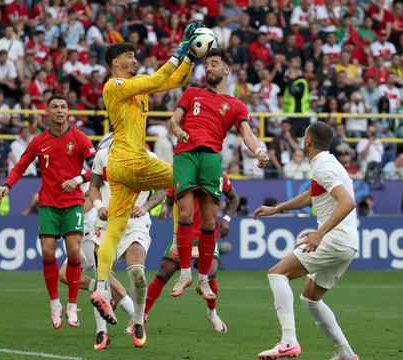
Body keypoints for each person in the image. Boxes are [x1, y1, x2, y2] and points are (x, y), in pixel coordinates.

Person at [90, 22, 201, 346]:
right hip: (132, 158)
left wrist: (190, 57)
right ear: (116, 64)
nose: (135, 60)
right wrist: (179, 50)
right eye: (129, 56)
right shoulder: (115, 85)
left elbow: (171, 80)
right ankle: (186, 249)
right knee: (185, 176)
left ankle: (100, 288)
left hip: (122, 171)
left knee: (113, 231)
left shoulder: (136, 88)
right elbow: (156, 78)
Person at [167, 48, 269, 300]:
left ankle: (203, 279)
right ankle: (184, 274)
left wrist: (258, 151)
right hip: (186, 155)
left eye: (214, 63)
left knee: (210, 222)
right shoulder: (192, 93)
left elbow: (246, 133)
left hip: (212, 158)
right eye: (206, 64)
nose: (208, 68)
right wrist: (179, 132)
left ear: (227, 69)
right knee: (186, 214)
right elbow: (172, 121)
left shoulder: (235, 104)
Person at [252, 121, 359, 360]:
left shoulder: (323, 166)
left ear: (308, 141)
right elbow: (312, 195)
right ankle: (346, 354)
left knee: (277, 273)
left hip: (334, 239)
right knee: (310, 299)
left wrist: (320, 234)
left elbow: (348, 202)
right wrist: (277, 209)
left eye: (304, 136)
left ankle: (288, 341)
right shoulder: (329, 164)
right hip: (348, 243)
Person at [0, 95, 96, 330]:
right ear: (47, 112)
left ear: (68, 111)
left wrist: (78, 179)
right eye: (55, 107)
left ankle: (72, 306)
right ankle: (55, 304)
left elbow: (99, 167)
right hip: (49, 204)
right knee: (47, 253)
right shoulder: (39, 141)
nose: (59, 111)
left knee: (73, 251)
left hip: (73, 203)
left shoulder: (80, 138)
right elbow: (21, 165)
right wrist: (7, 185)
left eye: (63, 107)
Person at [81, 144, 165, 349]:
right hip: (107, 223)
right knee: (103, 278)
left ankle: (137, 321)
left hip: (135, 223)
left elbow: (164, 187)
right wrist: (99, 206)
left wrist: (145, 206)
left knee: (137, 273)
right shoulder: (104, 155)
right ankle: (101, 332)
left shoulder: (148, 157)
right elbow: (93, 186)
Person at [145, 173, 239, 333]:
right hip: (183, 235)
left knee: (211, 273)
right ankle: (141, 316)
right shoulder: (183, 172)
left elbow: (234, 199)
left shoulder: (216, 173)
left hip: (207, 235)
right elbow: (169, 200)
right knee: (164, 272)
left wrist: (226, 220)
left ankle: (212, 313)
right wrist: (165, 209)